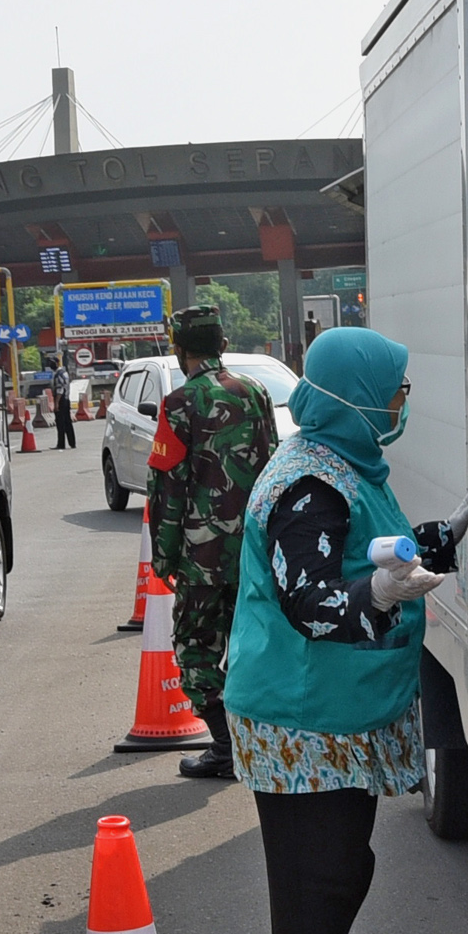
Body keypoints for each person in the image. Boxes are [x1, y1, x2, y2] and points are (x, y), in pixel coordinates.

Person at [222, 326, 446, 934]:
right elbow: (312, 600)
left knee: (341, 869)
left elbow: (364, 550)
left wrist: (436, 544)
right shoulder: (308, 484)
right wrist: (380, 595)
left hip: (330, 711)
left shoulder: (342, 461)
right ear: (356, 396)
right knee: (314, 884)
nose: (402, 401)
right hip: (299, 718)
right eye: (395, 390)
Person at [147, 306, 278, 780]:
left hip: (201, 557)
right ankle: (258, 743)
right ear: (222, 345)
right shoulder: (257, 392)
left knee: (195, 648)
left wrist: (163, 558)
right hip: (256, 552)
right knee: (253, 646)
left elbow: (167, 488)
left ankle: (225, 747)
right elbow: (273, 468)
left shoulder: (179, 403)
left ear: (178, 349)